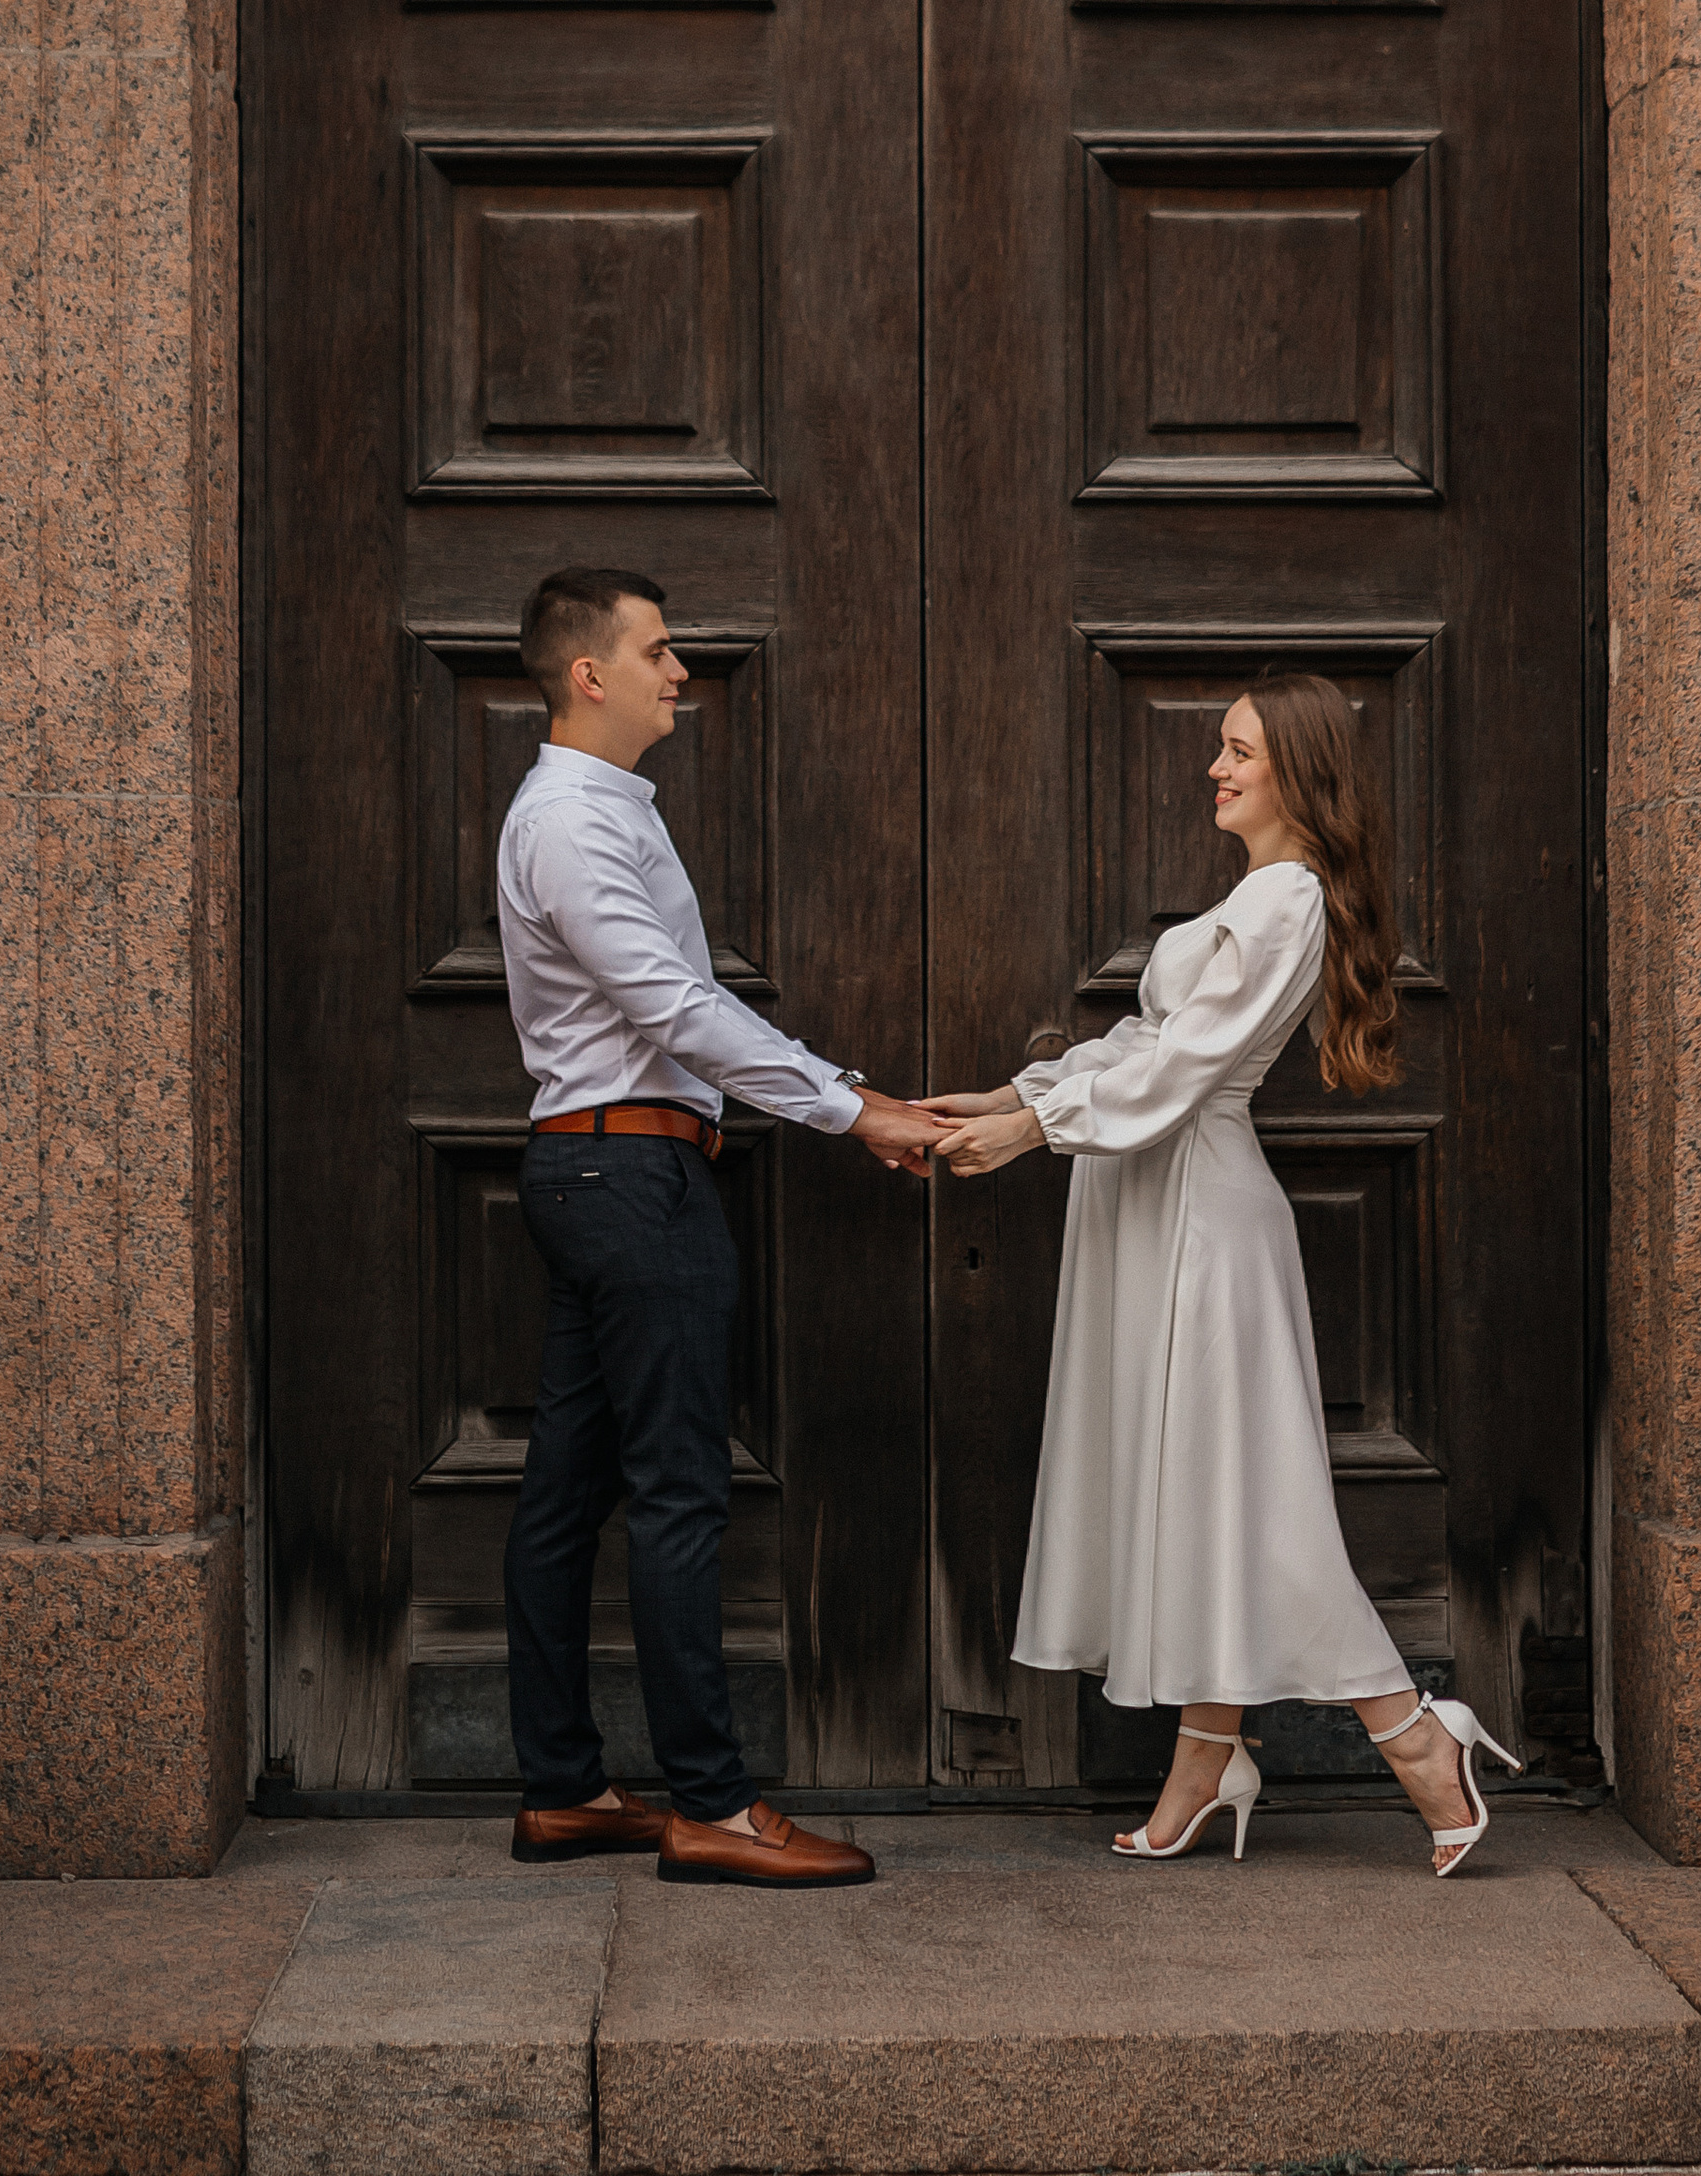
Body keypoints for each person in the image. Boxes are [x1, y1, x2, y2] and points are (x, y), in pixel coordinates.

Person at [925, 669, 1521, 1875]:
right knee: (1203, 1495)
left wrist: (1028, 1134)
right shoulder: (1258, 897)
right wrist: (1016, 1094)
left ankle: (1414, 1736)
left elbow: (1186, 1066)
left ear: (1297, 771)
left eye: (1239, 750)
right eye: (1218, 748)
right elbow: (1150, 1040)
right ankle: (1207, 1759)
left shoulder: (1286, 899)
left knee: (1260, 1503)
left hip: (1202, 1217)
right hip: (1164, 1203)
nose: (1216, 767)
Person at [497, 565, 941, 1888]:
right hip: (627, 1184)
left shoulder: (596, 810)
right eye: (659, 650)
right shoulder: (572, 822)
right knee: (678, 1494)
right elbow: (674, 1010)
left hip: (604, 1176)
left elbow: (675, 1002)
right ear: (591, 673)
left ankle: (566, 1788)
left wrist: (829, 1094)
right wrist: (847, 1106)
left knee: (568, 1495)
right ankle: (715, 1809)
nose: (681, 670)